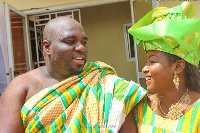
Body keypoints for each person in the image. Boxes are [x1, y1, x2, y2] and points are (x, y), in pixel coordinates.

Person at [0, 16, 146, 132]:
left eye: (84, 42)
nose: (81, 48)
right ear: (47, 47)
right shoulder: (21, 88)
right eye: (70, 42)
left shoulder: (103, 81)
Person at [121, 2, 200, 133]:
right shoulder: (139, 107)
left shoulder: (197, 111)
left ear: (178, 66)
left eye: (152, 61)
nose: (144, 69)